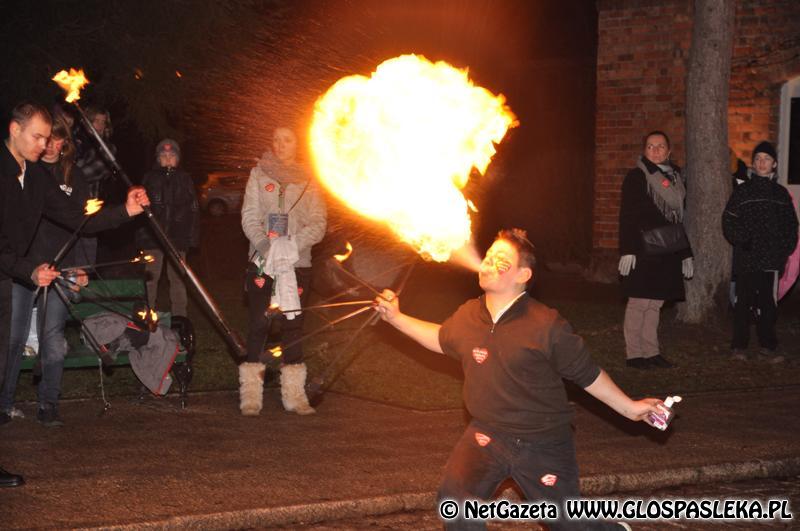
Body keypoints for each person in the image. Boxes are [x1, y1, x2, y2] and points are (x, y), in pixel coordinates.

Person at [375, 229, 661, 531]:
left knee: (567, 523)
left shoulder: (546, 324)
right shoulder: (470, 314)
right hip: (486, 435)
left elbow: (587, 374)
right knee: (456, 504)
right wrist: (396, 318)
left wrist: (630, 408)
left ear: (522, 274)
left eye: (501, 260)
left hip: (542, 442)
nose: (488, 263)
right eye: (488, 257)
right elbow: (442, 339)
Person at [0, 102, 149, 486]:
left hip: (12, 276)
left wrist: (126, 211)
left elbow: (76, 217)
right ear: (14, 129)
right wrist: (27, 268)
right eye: (37, 136)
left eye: (48, 137)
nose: (44, 144)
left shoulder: (34, 178)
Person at [0, 117, 92, 427]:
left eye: (56, 139)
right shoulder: (27, 171)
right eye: (43, 138)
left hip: (60, 266)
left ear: (65, 143)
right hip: (23, 267)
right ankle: (4, 402)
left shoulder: (74, 177)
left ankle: (48, 402)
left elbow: (83, 224)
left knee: (52, 336)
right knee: (12, 337)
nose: (49, 145)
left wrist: (82, 265)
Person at [239, 127, 326, 416]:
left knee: (293, 327)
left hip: (297, 262)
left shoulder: (311, 180)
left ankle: (294, 395)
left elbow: (318, 223)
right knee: (258, 324)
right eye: (275, 139)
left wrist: (292, 246)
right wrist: (266, 247)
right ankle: (251, 395)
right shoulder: (258, 173)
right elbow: (249, 215)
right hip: (262, 261)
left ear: (297, 144)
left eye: (287, 139)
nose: (280, 145)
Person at [617, 131, 693, 370]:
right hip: (642, 249)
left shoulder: (677, 178)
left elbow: (679, 220)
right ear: (644, 151)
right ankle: (634, 355)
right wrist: (627, 249)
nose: (656, 150)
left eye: (660, 146)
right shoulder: (637, 177)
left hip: (668, 249)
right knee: (639, 302)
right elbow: (627, 215)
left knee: (655, 305)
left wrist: (685, 252)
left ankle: (651, 352)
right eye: (650, 146)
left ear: (669, 151)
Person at [722, 141, 798, 362]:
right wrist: (741, 240)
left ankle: (768, 345)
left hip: (771, 260)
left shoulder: (781, 194)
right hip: (747, 257)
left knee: (768, 304)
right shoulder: (743, 191)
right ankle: (739, 346)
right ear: (753, 165)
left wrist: (783, 250)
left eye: (766, 159)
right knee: (743, 302)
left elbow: (791, 225)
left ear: (774, 164)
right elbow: (728, 219)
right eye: (757, 159)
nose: (761, 162)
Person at [137, 139, 199, 317]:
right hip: (152, 238)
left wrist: (192, 238)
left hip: (177, 238)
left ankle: (180, 319)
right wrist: (142, 236)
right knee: (149, 279)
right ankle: (147, 317)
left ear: (178, 159)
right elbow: (140, 209)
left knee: (178, 280)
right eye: (163, 156)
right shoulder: (149, 178)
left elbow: (194, 208)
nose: (168, 159)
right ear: (158, 159)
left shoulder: (184, 179)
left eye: (172, 155)